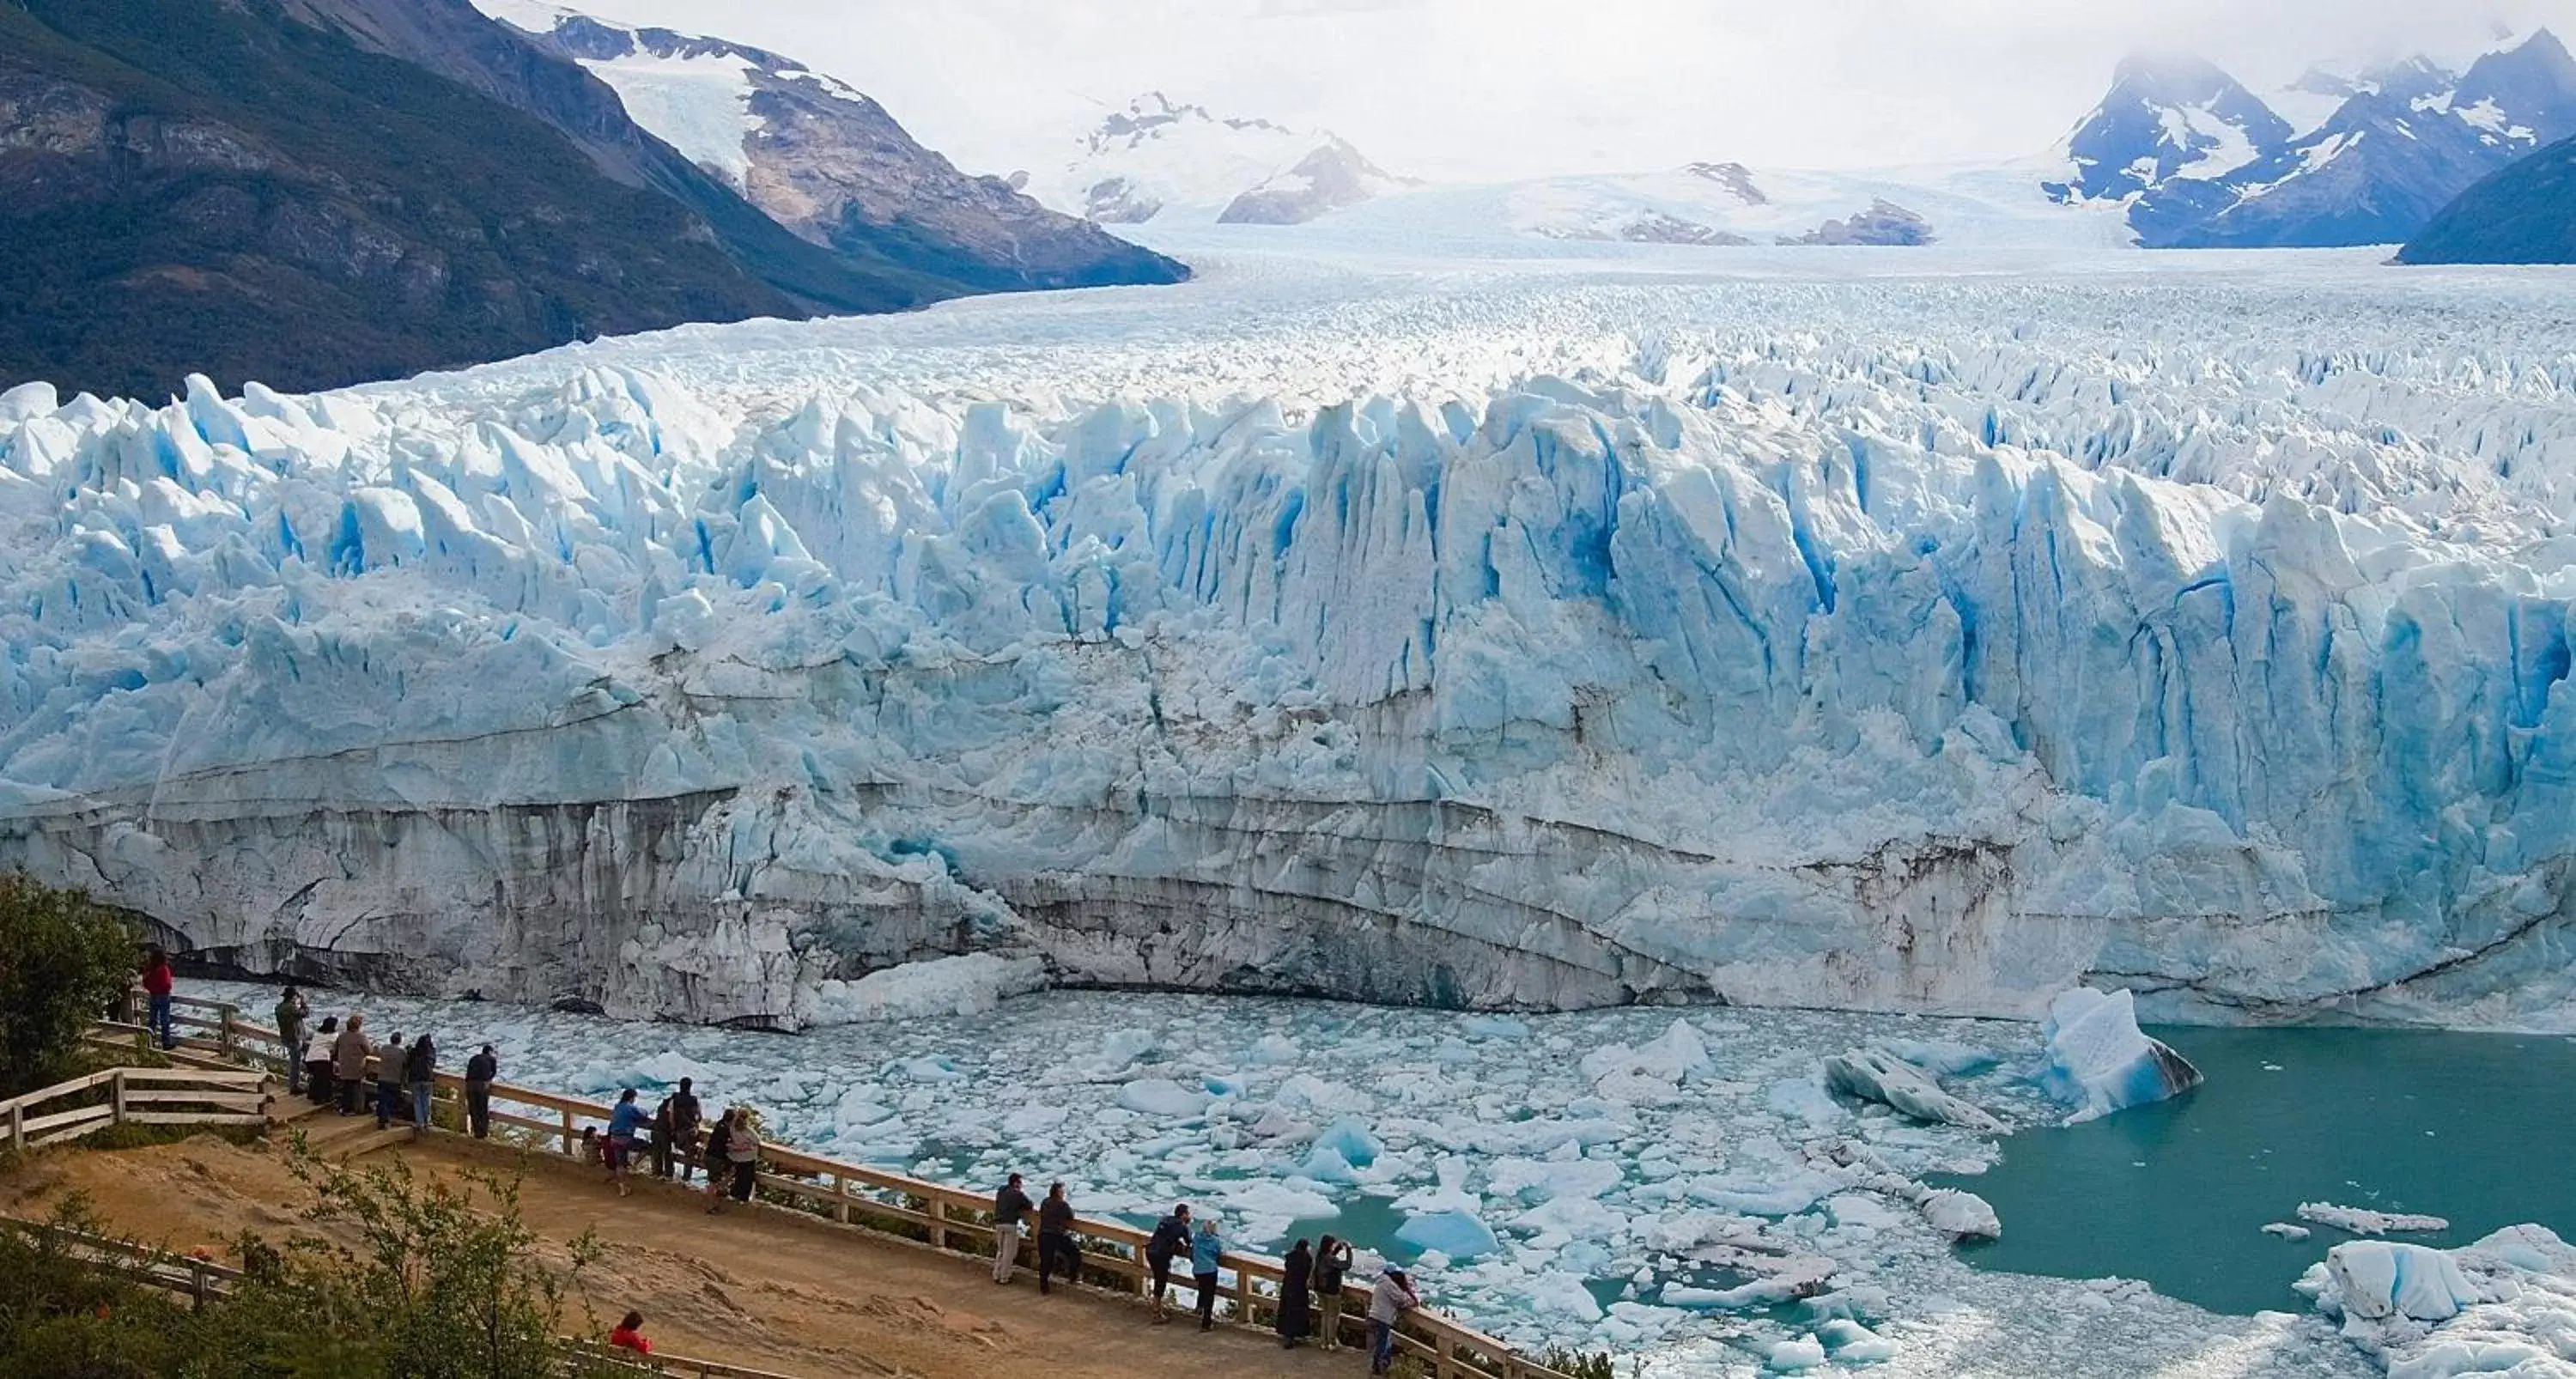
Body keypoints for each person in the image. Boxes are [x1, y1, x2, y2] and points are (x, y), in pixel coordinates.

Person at [1367, 1267, 1421, 1376]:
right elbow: (1401, 1298)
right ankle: (1377, 1367)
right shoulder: (1389, 1284)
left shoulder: (1381, 1281)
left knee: (1384, 1341)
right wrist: (1410, 1296)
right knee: (1382, 1343)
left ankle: (1384, 1364)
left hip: (1374, 1315)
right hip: (1383, 1318)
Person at [1145, 1204, 1191, 1322]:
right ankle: (1157, 1313)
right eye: (1188, 1213)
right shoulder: (1181, 1226)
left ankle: (1157, 1308)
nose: (1189, 1216)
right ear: (1183, 1215)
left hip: (1150, 1251)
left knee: (1158, 1278)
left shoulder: (1165, 1219)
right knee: (1161, 1281)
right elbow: (1189, 1241)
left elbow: (1165, 1236)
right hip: (1161, 1255)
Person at [1036, 1182, 1079, 1295]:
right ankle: (1073, 1276)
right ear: (1058, 1193)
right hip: (1056, 1235)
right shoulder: (1063, 1205)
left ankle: (1043, 1287)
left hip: (1043, 1234)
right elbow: (1070, 1216)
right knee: (1074, 1252)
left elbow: (1041, 1213)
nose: (1064, 1194)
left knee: (1046, 1261)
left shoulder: (1045, 1202)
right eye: (1062, 1192)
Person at [990, 1172, 1034, 1285]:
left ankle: (996, 1274)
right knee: (1009, 1253)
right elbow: (1029, 1204)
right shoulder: (1017, 1194)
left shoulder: (1001, 1190)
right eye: (1020, 1183)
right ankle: (1004, 1277)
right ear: (1016, 1183)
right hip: (1010, 1224)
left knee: (1000, 1250)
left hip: (998, 1223)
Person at [1314, 1234, 1354, 1351]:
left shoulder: (1320, 1255)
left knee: (1325, 1315)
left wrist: (1337, 1249)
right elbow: (1346, 1265)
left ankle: (1323, 1342)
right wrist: (1349, 1250)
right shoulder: (1331, 1259)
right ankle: (1331, 1342)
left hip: (1320, 1290)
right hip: (1332, 1291)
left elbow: (1329, 1260)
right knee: (1332, 1317)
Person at [606, 1089, 647, 1196]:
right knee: (647, 1147)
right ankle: (634, 1166)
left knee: (620, 1164)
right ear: (632, 1098)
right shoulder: (630, 1108)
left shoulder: (617, 1107)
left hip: (614, 1138)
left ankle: (623, 1188)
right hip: (626, 1139)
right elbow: (642, 1115)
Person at [1277, 1237, 1314, 1348]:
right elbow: (1307, 1272)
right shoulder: (1307, 1258)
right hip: (1300, 1289)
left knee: (1287, 1311)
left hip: (1288, 1287)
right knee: (1297, 1312)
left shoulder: (1290, 1256)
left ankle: (1288, 1335)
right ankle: (1296, 1334)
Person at [1190, 1216, 1224, 1332]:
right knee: (1210, 1296)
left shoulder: (1196, 1237)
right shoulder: (1216, 1241)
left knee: (1202, 1288)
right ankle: (1206, 1323)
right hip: (1210, 1270)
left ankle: (1199, 1308)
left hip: (1198, 1270)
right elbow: (1219, 1253)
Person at [274, 985, 309, 1096]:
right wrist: (303, 1002)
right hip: (295, 1038)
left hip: (286, 1037)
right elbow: (305, 1013)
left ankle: (295, 1084)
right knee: (296, 1063)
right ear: (293, 996)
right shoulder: (292, 1008)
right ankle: (294, 1086)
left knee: (295, 1061)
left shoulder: (279, 1007)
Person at [331, 1015, 369, 1115]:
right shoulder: (361, 1037)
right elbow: (369, 1051)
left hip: (344, 1067)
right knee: (356, 1089)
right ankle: (355, 1109)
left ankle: (345, 1108)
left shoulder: (341, 1037)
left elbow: (334, 1050)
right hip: (357, 1068)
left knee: (346, 1088)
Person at [666, 1078, 702, 1182]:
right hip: (690, 1131)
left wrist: (673, 1129)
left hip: (678, 1131)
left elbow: (671, 1116)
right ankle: (686, 1178)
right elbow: (699, 1116)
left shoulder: (675, 1099)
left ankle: (669, 1174)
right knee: (689, 1156)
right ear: (690, 1086)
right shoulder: (694, 1100)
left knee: (670, 1151)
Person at [140, 945, 175, 1050]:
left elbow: (145, 982)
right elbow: (167, 984)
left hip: (153, 995)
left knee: (152, 1020)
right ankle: (166, 1043)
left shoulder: (150, 969)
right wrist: (164, 990)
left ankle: (150, 1041)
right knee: (165, 1020)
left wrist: (153, 989)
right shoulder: (164, 968)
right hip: (163, 996)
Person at [723, 1110, 760, 1207]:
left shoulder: (732, 1128)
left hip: (737, 1157)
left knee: (738, 1176)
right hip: (749, 1157)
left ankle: (734, 1194)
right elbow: (757, 1140)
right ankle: (743, 1198)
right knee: (747, 1178)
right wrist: (748, 1146)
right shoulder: (747, 1130)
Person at [702, 1110, 735, 1210]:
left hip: (709, 1156)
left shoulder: (719, 1124)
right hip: (716, 1159)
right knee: (713, 1182)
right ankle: (710, 1206)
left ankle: (721, 1190)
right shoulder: (725, 1131)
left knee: (728, 1171)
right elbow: (727, 1144)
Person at [373, 1030, 406, 1130]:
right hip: (394, 1080)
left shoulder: (384, 1048)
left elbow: (376, 1052)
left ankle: (382, 1119)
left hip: (382, 1078)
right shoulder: (402, 1052)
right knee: (390, 1101)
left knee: (383, 1100)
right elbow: (406, 1063)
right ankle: (386, 1120)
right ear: (400, 1041)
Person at [404, 1033, 437, 1135]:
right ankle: (428, 1121)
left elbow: (408, 1063)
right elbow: (433, 1063)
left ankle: (420, 1123)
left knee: (417, 1102)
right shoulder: (430, 1052)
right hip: (427, 1079)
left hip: (414, 1079)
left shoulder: (414, 1052)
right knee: (427, 1100)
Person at [464, 1044, 497, 1139]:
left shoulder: (474, 1058)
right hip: (482, 1085)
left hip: (470, 1085)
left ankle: (476, 1132)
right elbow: (493, 1073)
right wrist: (488, 1081)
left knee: (473, 1108)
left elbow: (468, 1072)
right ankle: (484, 1132)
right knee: (483, 1108)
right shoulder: (491, 1059)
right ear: (490, 1052)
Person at [304, 1016, 338, 1108]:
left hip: (309, 1059)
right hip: (322, 1059)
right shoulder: (334, 1036)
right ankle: (320, 1099)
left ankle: (312, 1095)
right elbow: (336, 1048)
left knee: (316, 1078)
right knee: (324, 1080)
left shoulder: (317, 1034)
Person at [650, 1092, 676, 1180]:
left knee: (657, 1151)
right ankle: (668, 1174)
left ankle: (657, 1173)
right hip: (664, 1131)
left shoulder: (662, 1106)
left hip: (656, 1129)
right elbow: (671, 1120)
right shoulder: (672, 1106)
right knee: (667, 1152)